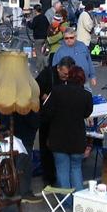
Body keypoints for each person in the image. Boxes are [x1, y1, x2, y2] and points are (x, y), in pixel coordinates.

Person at [41, 66, 93, 201]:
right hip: (77, 139)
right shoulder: (86, 95)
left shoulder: (57, 91)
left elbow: (47, 112)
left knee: (62, 170)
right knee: (76, 169)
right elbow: (87, 113)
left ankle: (66, 202)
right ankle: (80, 201)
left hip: (58, 138)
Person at [36, 56, 75, 188]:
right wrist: (44, 96)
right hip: (47, 116)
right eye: (64, 74)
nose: (66, 77)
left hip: (62, 116)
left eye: (68, 75)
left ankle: (61, 174)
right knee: (46, 146)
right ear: (58, 68)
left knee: (60, 147)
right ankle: (48, 177)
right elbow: (35, 87)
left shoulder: (69, 77)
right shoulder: (47, 74)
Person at [27, 4, 50, 73]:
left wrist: (28, 22)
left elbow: (32, 26)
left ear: (35, 10)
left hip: (38, 38)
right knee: (43, 52)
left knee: (38, 53)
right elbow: (48, 26)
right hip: (45, 37)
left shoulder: (36, 18)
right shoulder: (44, 17)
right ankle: (44, 66)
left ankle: (40, 68)